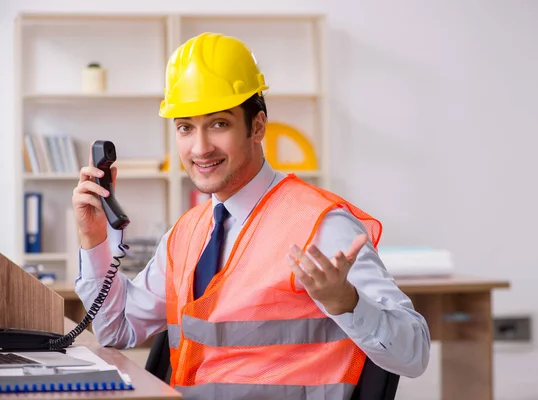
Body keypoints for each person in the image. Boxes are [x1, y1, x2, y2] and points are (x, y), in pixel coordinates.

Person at [73, 32, 430, 399]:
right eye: (185, 127)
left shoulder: (320, 226)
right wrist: (95, 239)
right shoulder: (187, 234)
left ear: (257, 127)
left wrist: (348, 303)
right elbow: (116, 331)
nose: (200, 148)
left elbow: (414, 352)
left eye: (219, 124)